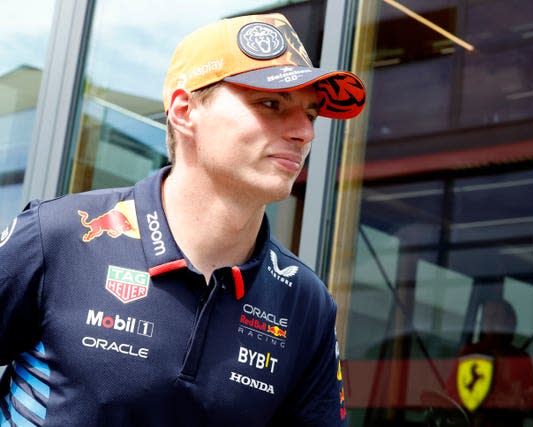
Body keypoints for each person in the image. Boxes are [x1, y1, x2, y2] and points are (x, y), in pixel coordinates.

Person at [0, 13, 365, 426]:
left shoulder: (305, 302)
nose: (305, 132)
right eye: (271, 103)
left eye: (311, 113)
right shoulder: (60, 236)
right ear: (184, 110)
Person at [444, 298, 533, 427]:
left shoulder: (521, 358)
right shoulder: (470, 353)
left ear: (511, 322)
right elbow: (451, 394)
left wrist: (517, 401)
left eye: (496, 317)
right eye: (486, 317)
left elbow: (531, 401)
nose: (490, 322)